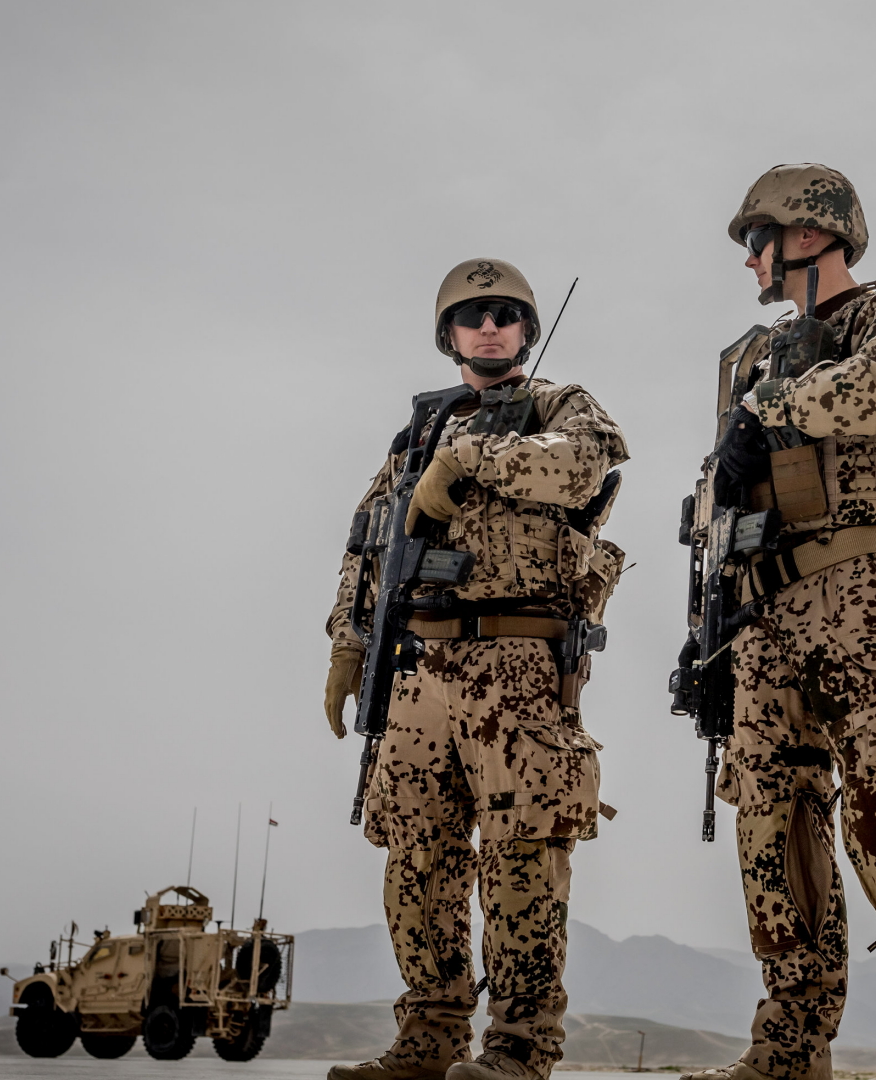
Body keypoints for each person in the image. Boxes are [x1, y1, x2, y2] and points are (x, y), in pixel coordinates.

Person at [682, 164, 876, 1080]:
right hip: (763, 616)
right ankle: (788, 1047)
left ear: (809, 234)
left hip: (862, 598)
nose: (750, 263)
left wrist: (766, 409)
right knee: (773, 830)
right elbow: (720, 500)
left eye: (756, 242)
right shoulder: (759, 352)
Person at [322, 258, 629, 1080]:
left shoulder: (559, 405)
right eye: (472, 316)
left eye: (504, 314)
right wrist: (347, 644)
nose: (489, 326)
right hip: (420, 663)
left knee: (523, 855)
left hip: (518, 659)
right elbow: (369, 544)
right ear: (448, 334)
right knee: (416, 855)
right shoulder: (414, 432)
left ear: (526, 329)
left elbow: (582, 464)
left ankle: (521, 1048)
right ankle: (428, 1036)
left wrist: (466, 463)